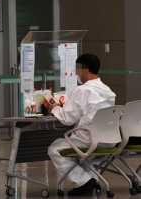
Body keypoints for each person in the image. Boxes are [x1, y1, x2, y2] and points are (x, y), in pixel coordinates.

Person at [47, 54, 116, 196]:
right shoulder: (108, 91)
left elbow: (67, 119)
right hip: (109, 139)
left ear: (84, 69)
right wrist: (67, 106)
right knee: (86, 156)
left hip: (87, 138)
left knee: (55, 149)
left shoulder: (82, 90)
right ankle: (92, 179)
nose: (77, 73)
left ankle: (84, 182)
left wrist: (54, 108)